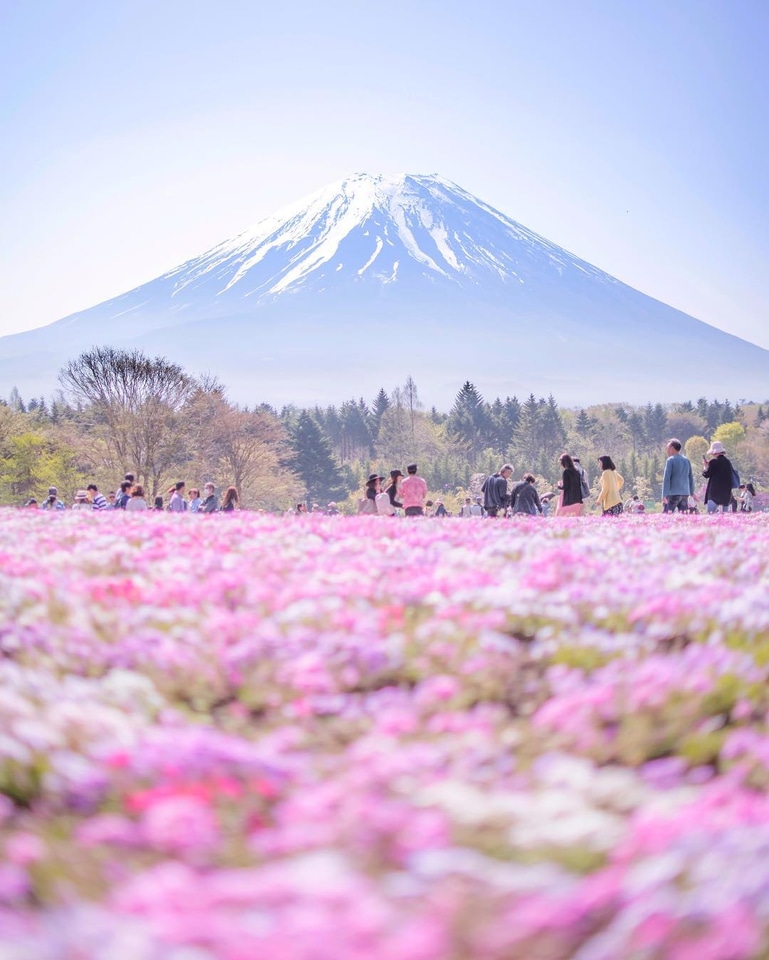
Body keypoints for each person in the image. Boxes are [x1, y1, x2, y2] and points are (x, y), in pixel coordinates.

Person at [661, 439, 694, 514]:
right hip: (685, 493)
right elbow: (690, 478)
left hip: (673, 493)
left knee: (667, 515)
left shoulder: (670, 460)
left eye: (667, 448)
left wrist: (664, 495)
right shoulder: (686, 460)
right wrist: (691, 492)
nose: (667, 451)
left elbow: (666, 479)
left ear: (672, 448)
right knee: (683, 515)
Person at [702, 441, 735, 514]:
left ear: (714, 452)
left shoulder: (713, 462)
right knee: (724, 517)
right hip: (726, 494)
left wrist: (705, 466)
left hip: (714, 494)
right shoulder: (728, 462)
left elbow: (706, 474)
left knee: (710, 515)